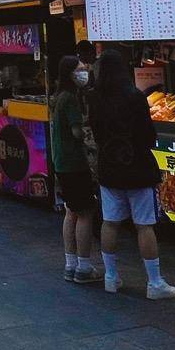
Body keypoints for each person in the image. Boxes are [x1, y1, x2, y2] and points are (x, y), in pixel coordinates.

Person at [87, 47, 175, 300]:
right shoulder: (134, 97)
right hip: (138, 168)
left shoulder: (94, 97)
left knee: (110, 222)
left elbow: (95, 132)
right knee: (144, 225)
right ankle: (154, 282)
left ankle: (111, 277)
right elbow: (148, 134)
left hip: (108, 167)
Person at [49, 55, 100, 284]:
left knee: (71, 211)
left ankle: (71, 265)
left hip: (61, 162)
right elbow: (77, 132)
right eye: (80, 69)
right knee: (85, 213)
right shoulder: (69, 99)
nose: (84, 72)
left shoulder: (59, 97)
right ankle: (84, 267)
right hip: (74, 162)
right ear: (70, 73)